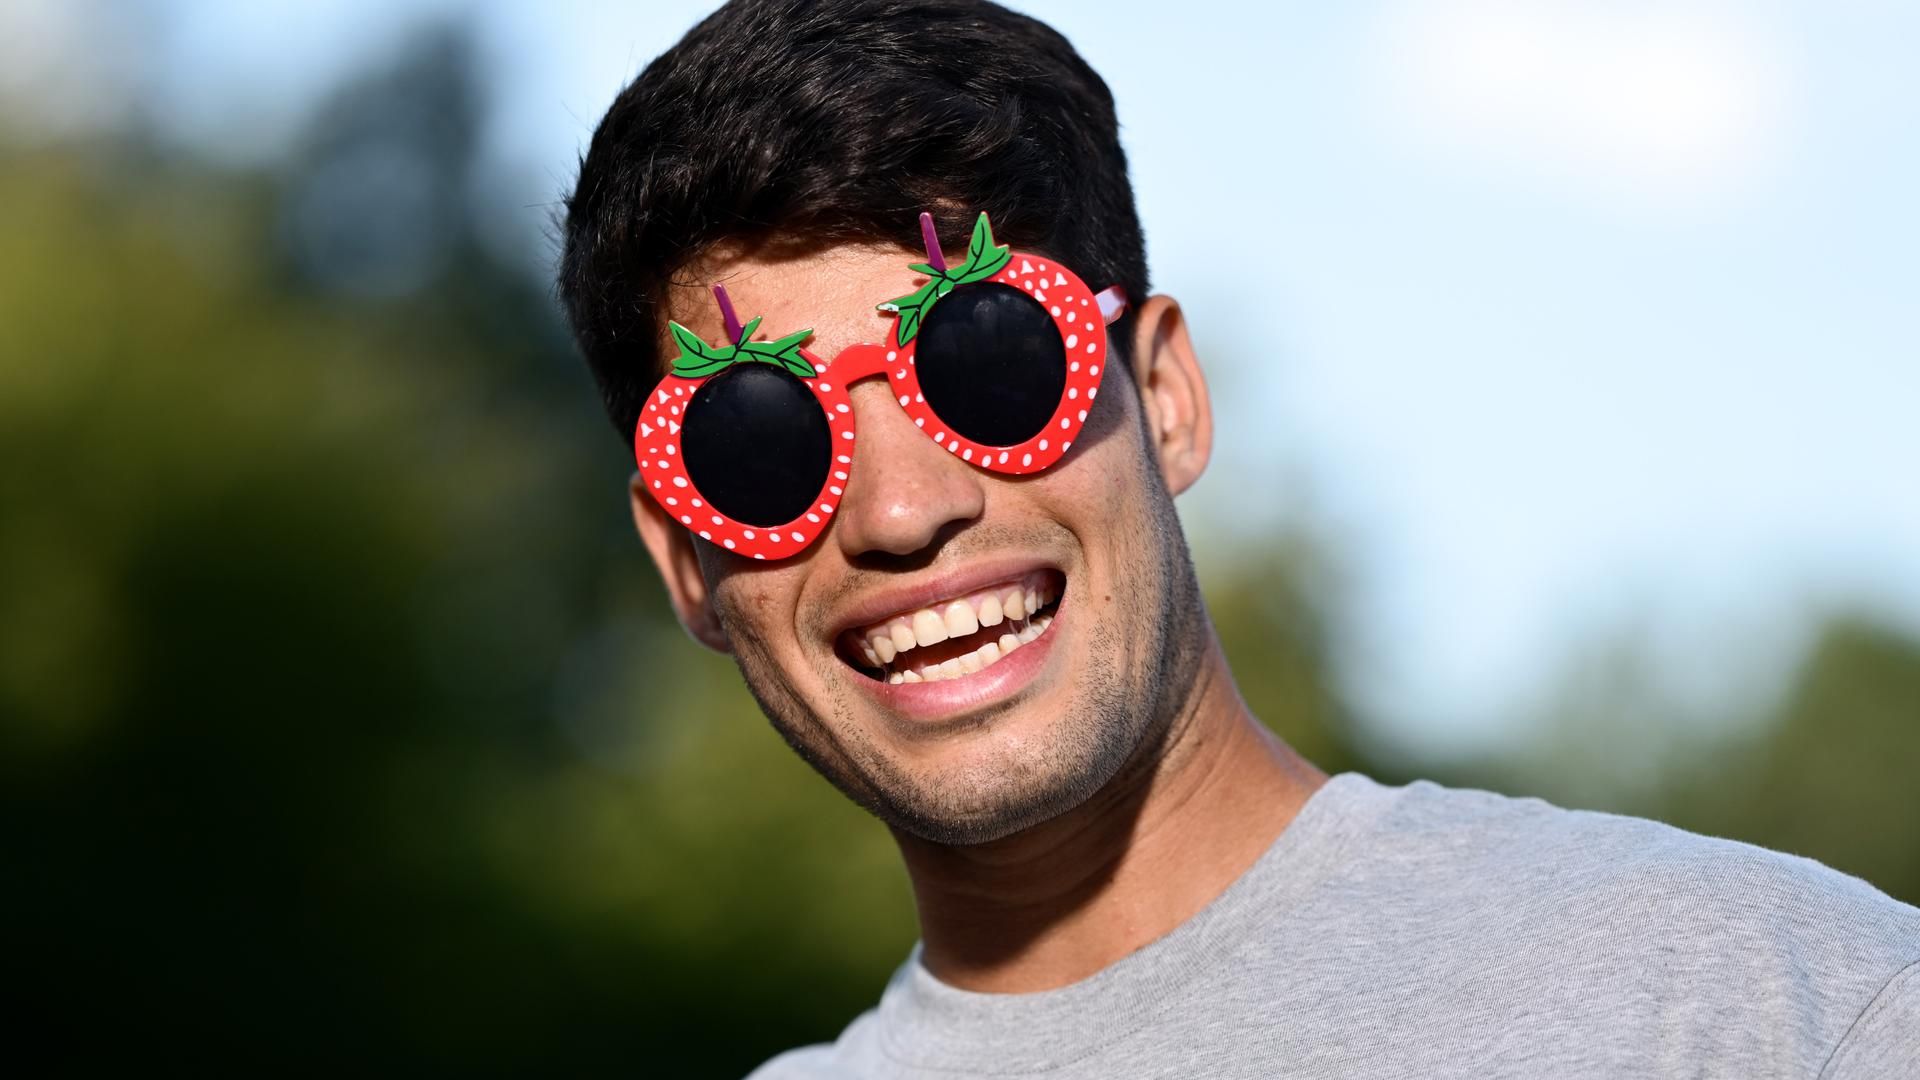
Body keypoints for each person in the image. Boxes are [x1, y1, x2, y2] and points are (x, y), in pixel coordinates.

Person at [557, 1, 1920, 1075]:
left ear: (1165, 396)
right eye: (752, 442)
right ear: (688, 562)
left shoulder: (1770, 1009)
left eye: (988, 358)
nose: (905, 511)